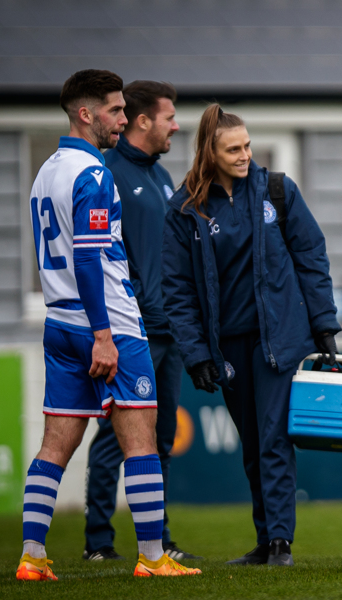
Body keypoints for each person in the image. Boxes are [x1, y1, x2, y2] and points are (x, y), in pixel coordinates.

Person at [18, 69, 201, 580]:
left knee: (55, 445)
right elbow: (89, 258)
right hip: (110, 325)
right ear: (86, 113)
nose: (123, 119)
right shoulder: (94, 173)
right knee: (140, 442)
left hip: (59, 323)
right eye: (116, 110)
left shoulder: (46, 170)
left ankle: (32, 556)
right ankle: (152, 557)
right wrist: (103, 333)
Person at [162, 104, 340, 567]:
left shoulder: (277, 190)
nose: (245, 155)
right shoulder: (186, 208)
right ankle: (266, 540)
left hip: (279, 338)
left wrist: (323, 325)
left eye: (247, 145)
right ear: (210, 152)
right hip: (228, 347)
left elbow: (311, 257)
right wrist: (197, 353)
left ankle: (281, 542)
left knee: (274, 436)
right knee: (253, 446)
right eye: (233, 149)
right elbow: (177, 290)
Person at [81, 80, 200, 562]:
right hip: (132, 329)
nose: (177, 125)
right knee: (116, 436)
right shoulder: (106, 171)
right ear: (143, 120)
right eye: (169, 117)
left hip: (167, 331)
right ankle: (98, 542)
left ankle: (159, 537)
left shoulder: (163, 177)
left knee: (161, 439)